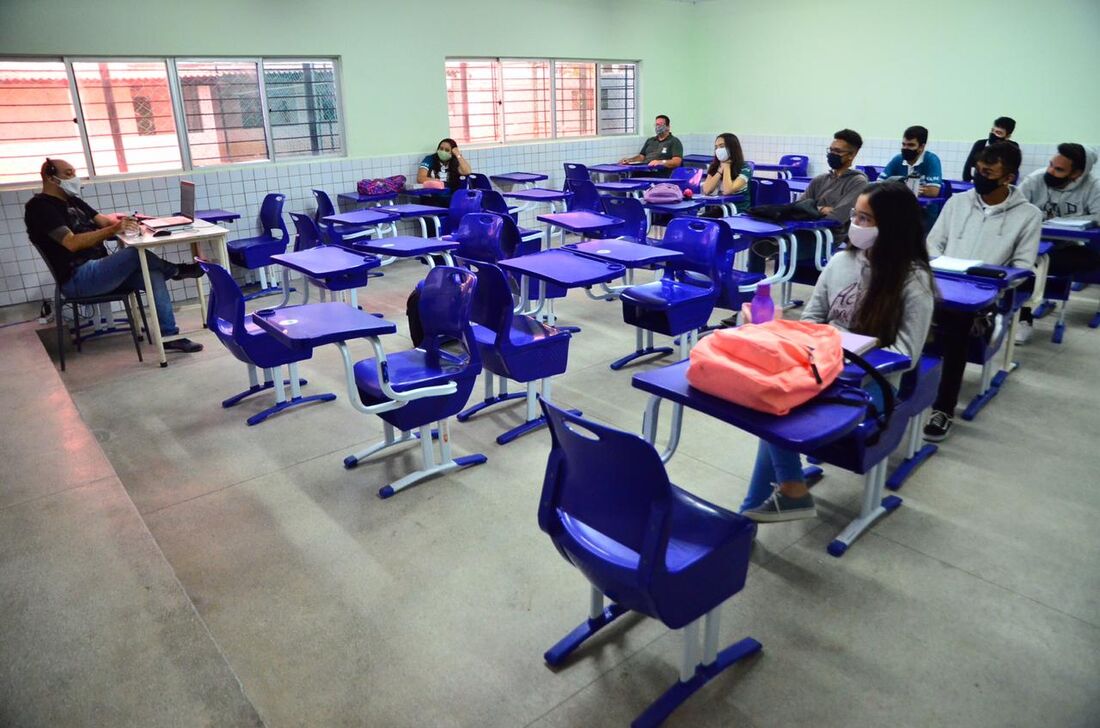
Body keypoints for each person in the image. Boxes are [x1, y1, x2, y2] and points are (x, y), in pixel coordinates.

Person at [742, 182, 936, 522]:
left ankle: (768, 504)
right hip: (823, 367)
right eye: (856, 217)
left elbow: (905, 355)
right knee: (770, 400)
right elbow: (813, 318)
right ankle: (781, 495)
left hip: (873, 383)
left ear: (892, 227)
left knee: (780, 412)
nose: (855, 225)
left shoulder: (914, 282)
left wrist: (847, 357)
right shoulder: (840, 261)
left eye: (866, 219)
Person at [24, 158, 204, 353]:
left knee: (153, 273)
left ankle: (170, 336)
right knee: (135, 255)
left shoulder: (72, 201)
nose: (74, 178)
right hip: (78, 278)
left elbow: (103, 222)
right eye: (68, 174)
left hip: (100, 271)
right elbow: (72, 242)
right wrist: (114, 229)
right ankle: (177, 270)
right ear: (51, 178)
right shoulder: (40, 208)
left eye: (74, 173)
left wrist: (129, 222)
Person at [923, 142, 1040, 441]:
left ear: (1008, 177)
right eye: (978, 169)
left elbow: (1023, 267)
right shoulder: (957, 203)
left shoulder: (1027, 215)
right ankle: (896, 394)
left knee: (957, 327)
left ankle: (943, 408)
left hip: (984, 299)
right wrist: (941, 266)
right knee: (896, 311)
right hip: (940, 286)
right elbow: (932, 244)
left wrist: (990, 279)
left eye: (988, 171)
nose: (979, 176)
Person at [748, 129, 868, 273]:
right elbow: (799, 207)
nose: (832, 154)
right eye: (831, 150)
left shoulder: (858, 182)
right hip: (800, 231)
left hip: (825, 238)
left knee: (770, 245)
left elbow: (837, 217)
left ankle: (761, 285)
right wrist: (821, 209)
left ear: (851, 155)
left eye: (837, 151)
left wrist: (811, 208)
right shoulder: (820, 180)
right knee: (757, 242)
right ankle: (753, 292)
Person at [1016, 144, 1100, 343]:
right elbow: (1015, 208)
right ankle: (1023, 318)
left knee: (1086, 260)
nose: (1050, 171)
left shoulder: (1093, 186)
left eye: (1059, 169)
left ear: (1077, 173)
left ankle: (1035, 302)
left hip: (1069, 246)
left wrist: (1067, 222)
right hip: (1032, 244)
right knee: (1027, 265)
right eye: (1051, 165)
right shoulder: (1035, 180)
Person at [416, 138, 471, 235]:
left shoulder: (455, 162)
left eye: (447, 150)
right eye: (441, 149)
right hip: (434, 198)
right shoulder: (430, 159)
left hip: (452, 198)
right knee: (430, 211)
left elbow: (467, 171)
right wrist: (436, 182)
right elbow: (420, 178)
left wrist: (458, 154)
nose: (443, 152)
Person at [879, 125, 942, 198]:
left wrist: (897, 187)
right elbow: (879, 184)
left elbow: (933, 191)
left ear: (921, 147)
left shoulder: (931, 160)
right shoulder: (898, 159)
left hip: (922, 207)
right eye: (903, 144)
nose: (905, 148)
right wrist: (911, 188)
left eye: (911, 145)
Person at [701, 132, 752, 213]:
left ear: (732, 148)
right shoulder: (715, 166)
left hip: (737, 210)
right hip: (720, 209)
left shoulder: (745, 168)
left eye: (722, 146)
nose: (718, 150)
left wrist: (727, 166)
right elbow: (707, 190)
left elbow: (727, 191)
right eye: (716, 147)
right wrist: (720, 171)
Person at [618, 115, 683, 172]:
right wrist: (630, 160)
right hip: (644, 171)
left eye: (660, 124)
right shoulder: (650, 140)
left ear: (668, 127)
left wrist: (660, 162)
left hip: (661, 174)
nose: (658, 127)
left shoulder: (674, 141)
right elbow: (641, 157)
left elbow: (677, 161)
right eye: (656, 124)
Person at [962, 117, 1018, 182]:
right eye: (992, 130)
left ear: (1007, 136)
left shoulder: (1012, 148)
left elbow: (1013, 172)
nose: (993, 134)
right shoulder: (980, 144)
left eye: (998, 133)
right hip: (977, 183)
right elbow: (968, 167)